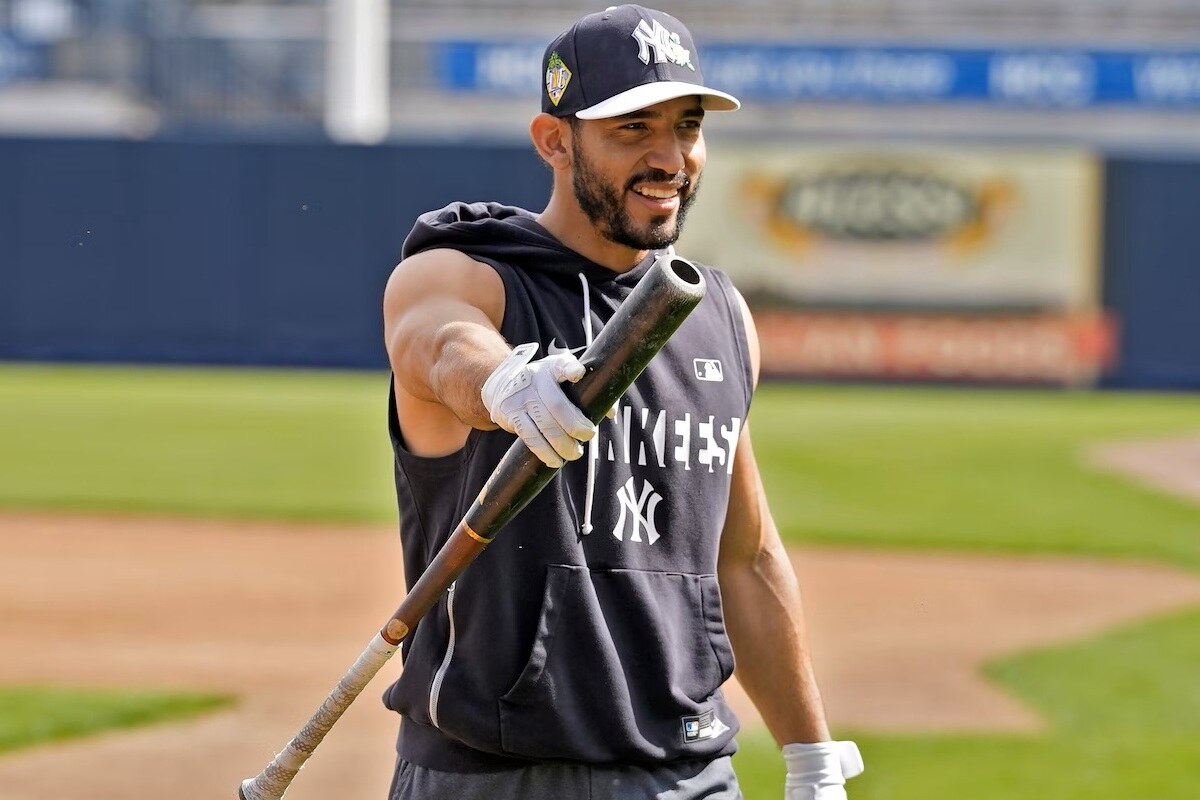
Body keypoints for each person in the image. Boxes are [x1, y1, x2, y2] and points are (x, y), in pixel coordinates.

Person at [380, 5, 863, 799]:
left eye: (687, 126)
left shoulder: (716, 314)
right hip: (498, 777)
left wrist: (811, 757)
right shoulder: (469, 274)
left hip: (690, 775)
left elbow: (744, 556)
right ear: (554, 141)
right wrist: (504, 386)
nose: (670, 156)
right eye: (633, 129)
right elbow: (438, 344)